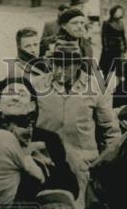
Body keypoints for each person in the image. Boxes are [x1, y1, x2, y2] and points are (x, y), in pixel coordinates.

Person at [35, 40, 121, 178]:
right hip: (45, 162)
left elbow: (110, 130)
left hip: (83, 164)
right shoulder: (37, 85)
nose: (59, 70)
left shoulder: (96, 87)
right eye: (56, 63)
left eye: (67, 65)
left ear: (78, 65)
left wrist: (107, 164)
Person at [99, 5, 127, 79]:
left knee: (119, 65)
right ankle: (105, 79)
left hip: (119, 48)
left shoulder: (121, 23)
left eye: (121, 11)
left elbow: (123, 36)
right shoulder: (107, 23)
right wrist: (106, 48)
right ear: (113, 12)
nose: (120, 13)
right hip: (110, 48)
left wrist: (125, 46)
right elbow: (104, 36)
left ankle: (119, 81)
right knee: (108, 65)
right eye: (118, 11)